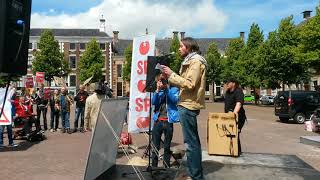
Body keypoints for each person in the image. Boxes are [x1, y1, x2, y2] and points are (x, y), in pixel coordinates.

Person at [161, 37, 207, 180]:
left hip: (188, 105)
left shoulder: (195, 61)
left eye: (181, 46)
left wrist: (171, 74)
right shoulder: (192, 60)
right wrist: (169, 80)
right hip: (186, 103)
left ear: (189, 47)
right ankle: (195, 174)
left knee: (191, 144)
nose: (179, 48)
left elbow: (190, 83)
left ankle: (196, 176)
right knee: (193, 142)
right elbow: (186, 84)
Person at [151, 75, 179, 168]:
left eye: (162, 81)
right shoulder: (159, 91)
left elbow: (174, 100)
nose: (161, 83)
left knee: (167, 147)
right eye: (159, 81)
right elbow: (154, 102)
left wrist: (166, 88)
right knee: (155, 146)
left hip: (168, 122)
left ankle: (166, 167)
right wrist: (157, 90)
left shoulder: (174, 89)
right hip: (158, 121)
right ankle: (154, 166)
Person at [224, 78, 247, 155]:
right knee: (228, 134)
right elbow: (227, 105)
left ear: (233, 83)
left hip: (238, 117)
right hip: (229, 117)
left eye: (228, 82)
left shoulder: (238, 91)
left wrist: (233, 114)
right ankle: (231, 151)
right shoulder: (227, 92)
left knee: (235, 134)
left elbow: (239, 103)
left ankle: (237, 152)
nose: (226, 84)